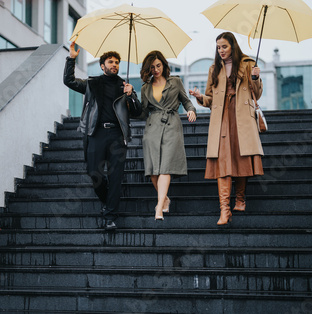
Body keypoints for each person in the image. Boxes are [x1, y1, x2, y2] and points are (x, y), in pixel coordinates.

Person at [63, 41, 142, 231]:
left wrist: (131, 95)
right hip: (96, 133)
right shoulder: (92, 84)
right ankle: (109, 203)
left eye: (116, 62)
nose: (114, 64)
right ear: (102, 65)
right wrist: (71, 59)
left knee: (115, 177)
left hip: (117, 136)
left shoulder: (125, 87)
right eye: (110, 62)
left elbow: (138, 112)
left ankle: (110, 217)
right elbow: (69, 81)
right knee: (94, 174)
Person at [189, 32, 264, 226]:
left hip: (242, 116)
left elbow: (257, 94)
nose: (221, 50)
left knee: (241, 157)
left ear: (233, 46)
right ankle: (225, 209)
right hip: (221, 118)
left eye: (224, 46)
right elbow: (210, 99)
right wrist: (199, 97)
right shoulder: (214, 68)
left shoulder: (248, 64)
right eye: (218, 47)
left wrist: (255, 78)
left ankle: (240, 199)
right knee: (222, 160)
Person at [139, 50, 197, 221]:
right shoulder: (145, 88)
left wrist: (191, 110)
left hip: (172, 124)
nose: (156, 69)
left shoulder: (175, 82)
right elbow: (142, 113)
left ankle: (158, 207)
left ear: (164, 65)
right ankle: (165, 199)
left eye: (158, 65)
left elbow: (186, 101)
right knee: (152, 170)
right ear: (148, 69)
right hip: (152, 127)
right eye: (152, 67)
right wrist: (130, 99)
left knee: (165, 167)